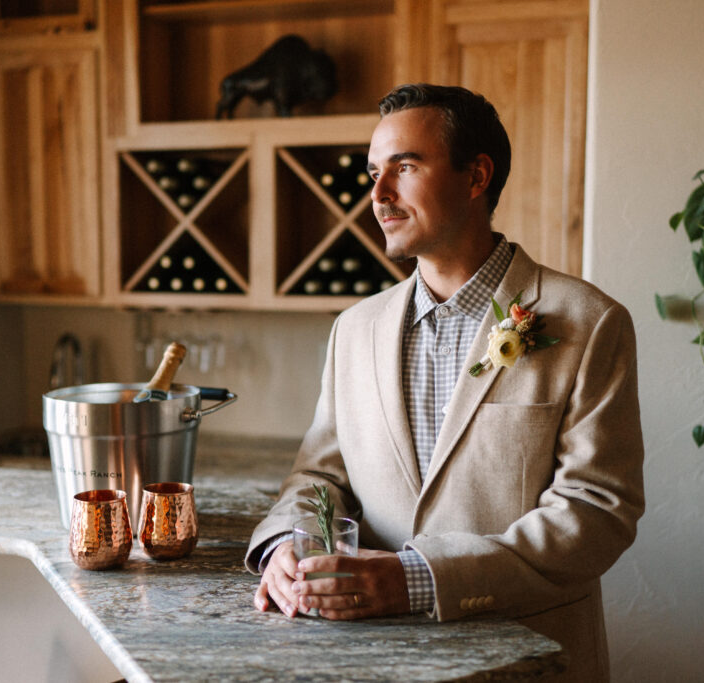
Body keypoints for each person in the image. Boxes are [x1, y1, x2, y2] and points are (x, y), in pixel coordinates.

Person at [245, 83, 644, 682]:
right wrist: (286, 546)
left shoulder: (590, 322)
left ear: (476, 175)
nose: (378, 195)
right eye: (374, 172)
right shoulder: (353, 330)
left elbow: (596, 513)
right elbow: (318, 476)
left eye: (404, 167)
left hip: (529, 658)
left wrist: (415, 580)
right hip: (371, 662)